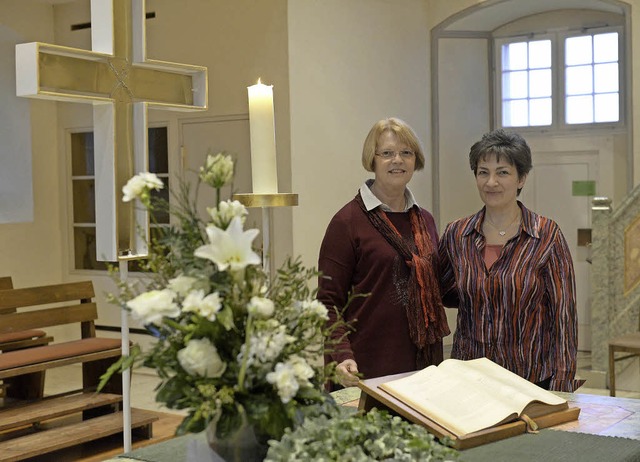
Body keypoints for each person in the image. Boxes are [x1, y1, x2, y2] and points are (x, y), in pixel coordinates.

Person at [438, 128, 580, 392]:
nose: (491, 182)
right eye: (483, 172)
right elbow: (445, 291)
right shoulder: (457, 234)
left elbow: (564, 316)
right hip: (468, 377)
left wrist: (562, 383)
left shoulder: (546, 235)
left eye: (502, 172)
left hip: (529, 379)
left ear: (521, 178)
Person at [318, 117, 450, 389]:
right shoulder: (348, 221)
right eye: (387, 153)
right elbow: (327, 302)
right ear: (373, 159)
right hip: (365, 369)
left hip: (422, 371)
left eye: (406, 153)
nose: (397, 161)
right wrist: (342, 355)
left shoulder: (425, 220)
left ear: (416, 160)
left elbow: (442, 286)